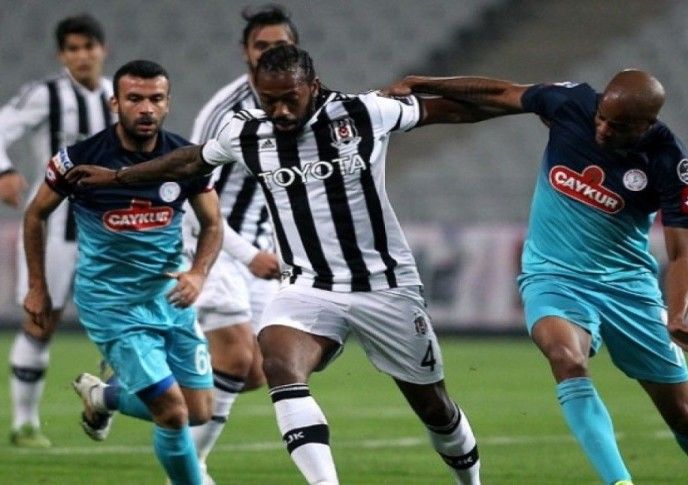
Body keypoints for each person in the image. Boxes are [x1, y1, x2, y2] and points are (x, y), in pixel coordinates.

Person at [64, 45, 505, 485]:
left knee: (433, 407)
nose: (279, 110)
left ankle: (471, 481)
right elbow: (192, 161)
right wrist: (118, 177)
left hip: (385, 287)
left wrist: (526, 99)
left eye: (289, 98)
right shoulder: (244, 130)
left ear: (312, 85)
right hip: (305, 284)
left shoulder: (365, 112)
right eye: (268, 99)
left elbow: (457, 110)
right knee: (273, 362)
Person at [381, 70, 688, 485]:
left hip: (628, 288)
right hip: (553, 277)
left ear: (646, 124)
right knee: (566, 358)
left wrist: (678, 316)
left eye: (618, 126)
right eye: (601, 117)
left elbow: (683, 254)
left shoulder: (670, 162)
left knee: (682, 415)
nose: (603, 129)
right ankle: (619, 481)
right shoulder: (572, 104)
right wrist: (422, 83)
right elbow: (501, 92)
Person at [23, 59, 221, 484]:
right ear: (115, 102)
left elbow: (212, 224)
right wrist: (37, 286)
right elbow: (35, 215)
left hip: (170, 299)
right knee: (173, 412)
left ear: (167, 103)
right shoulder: (78, 160)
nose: (146, 108)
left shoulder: (184, 159)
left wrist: (199, 274)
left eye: (156, 99)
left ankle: (104, 396)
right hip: (112, 305)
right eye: (135, 99)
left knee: (201, 410)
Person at [181, 6, 294, 480]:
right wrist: (248, 255)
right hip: (213, 244)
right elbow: (191, 190)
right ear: (246, 53)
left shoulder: (302, 102)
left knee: (258, 371)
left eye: (278, 45)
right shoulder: (224, 112)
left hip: (261, 249)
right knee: (235, 355)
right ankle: (190, 470)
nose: (269, 53)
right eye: (260, 45)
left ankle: (119, 390)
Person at [0, 14, 114, 448]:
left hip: (110, 229)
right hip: (54, 228)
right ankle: (25, 422)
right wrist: (4, 171)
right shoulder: (45, 95)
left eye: (89, 47)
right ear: (61, 55)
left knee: (126, 321)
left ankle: (104, 402)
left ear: (102, 49)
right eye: (73, 49)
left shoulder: (118, 95)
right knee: (41, 320)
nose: (82, 56)